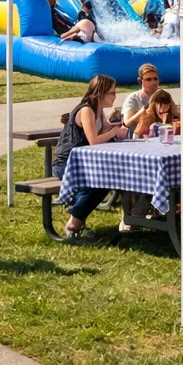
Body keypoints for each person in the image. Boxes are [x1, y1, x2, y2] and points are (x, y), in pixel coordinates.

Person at [51, 74, 128, 241]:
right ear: (100, 93)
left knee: (108, 180)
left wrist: (117, 129)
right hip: (67, 163)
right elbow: (94, 140)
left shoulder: (98, 111)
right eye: (112, 93)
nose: (115, 96)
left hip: (85, 163)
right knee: (98, 182)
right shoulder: (86, 110)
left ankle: (76, 222)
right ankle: (74, 224)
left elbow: (105, 131)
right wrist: (114, 132)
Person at [122, 64, 161, 128]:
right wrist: (146, 108)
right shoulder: (133, 98)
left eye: (155, 79)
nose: (153, 82)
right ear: (140, 81)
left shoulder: (162, 96)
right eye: (148, 79)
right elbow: (127, 123)